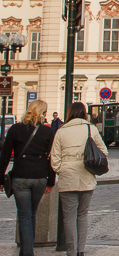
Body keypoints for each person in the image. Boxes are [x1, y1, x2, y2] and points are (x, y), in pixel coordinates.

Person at [50, 102, 108, 256]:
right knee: (82, 215)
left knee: (68, 217)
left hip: (67, 177)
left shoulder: (61, 131)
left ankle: (71, 251)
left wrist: (62, 169)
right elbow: (104, 151)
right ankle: (81, 250)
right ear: (84, 113)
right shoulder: (91, 129)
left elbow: (54, 158)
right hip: (86, 176)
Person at [1, 99, 54, 256]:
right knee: (32, 214)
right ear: (43, 113)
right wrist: (51, 181)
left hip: (21, 176)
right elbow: (52, 158)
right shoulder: (47, 131)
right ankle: (26, 251)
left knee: (24, 215)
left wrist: (0, 179)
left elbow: (4, 156)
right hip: (40, 177)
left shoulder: (15, 129)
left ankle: (27, 252)